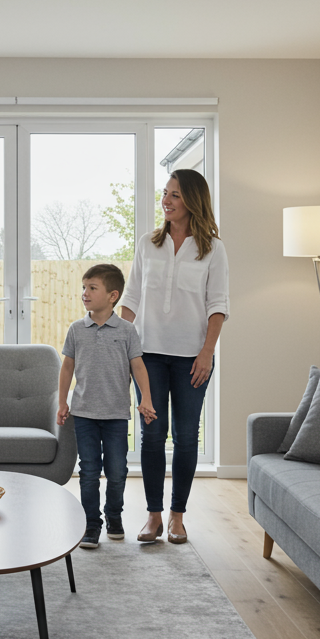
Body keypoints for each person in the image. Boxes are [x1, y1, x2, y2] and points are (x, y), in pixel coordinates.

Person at [118, 169, 229, 545]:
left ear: (193, 201)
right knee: (151, 435)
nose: (166, 201)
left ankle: (177, 516)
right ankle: (153, 515)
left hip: (191, 358)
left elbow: (218, 305)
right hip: (147, 354)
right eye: (165, 194)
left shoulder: (213, 249)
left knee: (185, 437)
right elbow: (131, 297)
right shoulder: (148, 243)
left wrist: (207, 353)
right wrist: (121, 345)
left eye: (175, 195)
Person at [57, 264, 156, 548]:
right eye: (84, 287)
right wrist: (63, 402)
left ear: (113, 295)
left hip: (115, 415)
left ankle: (114, 516)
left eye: (92, 288)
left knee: (116, 471)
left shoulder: (126, 331)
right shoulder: (76, 329)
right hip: (84, 413)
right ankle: (91, 525)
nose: (84, 293)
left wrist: (145, 399)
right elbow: (67, 368)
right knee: (88, 471)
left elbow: (138, 367)